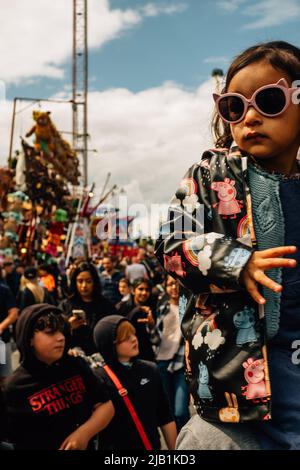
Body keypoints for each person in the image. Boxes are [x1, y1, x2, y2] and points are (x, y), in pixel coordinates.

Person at [155, 41, 300, 450]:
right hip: (232, 401)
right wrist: (238, 261)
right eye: (235, 107)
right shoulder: (206, 175)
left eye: (269, 100)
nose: (249, 117)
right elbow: (170, 244)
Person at [3, 304, 114, 450]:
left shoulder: (76, 365)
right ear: (29, 338)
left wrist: (83, 434)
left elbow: (106, 406)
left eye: (62, 332)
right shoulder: (13, 387)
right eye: (50, 332)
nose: (61, 338)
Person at [93, 315, 177, 450]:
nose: (134, 339)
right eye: (126, 338)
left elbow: (165, 416)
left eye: (133, 334)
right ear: (109, 344)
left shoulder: (150, 369)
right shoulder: (98, 378)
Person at [155, 275, 190, 432]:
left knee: (180, 411)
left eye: (177, 284)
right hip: (163, 362)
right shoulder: (162, 308)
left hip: (182, 363)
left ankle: (189, 442)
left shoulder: (189, 307)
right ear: (165, 287)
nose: (174, 287)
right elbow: (155, 339)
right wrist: (150, 325)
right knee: (169, 413)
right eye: (170, 284)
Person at [59, 261, 116, 355]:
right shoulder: (66, 305)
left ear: (94, 282)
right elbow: (56, 333)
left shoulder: (106, 305)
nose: (84, 286)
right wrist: (68, 326)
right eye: (80, 281)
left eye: (88, 281)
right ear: (75, 282)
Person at [116, 278, 158, 362]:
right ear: (133, 291)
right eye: (141, 289)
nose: (144, 293)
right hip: (126, 353)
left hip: (145, 353)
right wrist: (135, 311)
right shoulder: (121, 307)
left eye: (147, 290)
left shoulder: (151, 308)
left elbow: (155, 339)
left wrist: (151, 325)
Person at [0, 280, 18, 385]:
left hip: (1, 342)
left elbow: (13, 313)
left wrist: (1, 327)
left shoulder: (3, 290)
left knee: (4, 377)